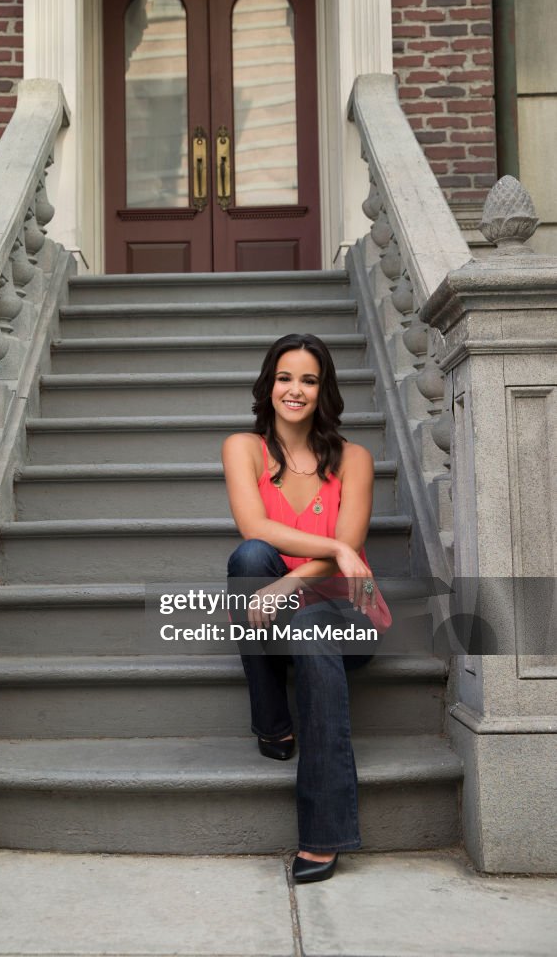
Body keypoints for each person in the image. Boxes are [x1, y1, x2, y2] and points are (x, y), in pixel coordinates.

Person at [221, 332, 386, 884]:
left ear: (323, 390)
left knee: (313, 620)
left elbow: (350, 548)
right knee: (249, 558)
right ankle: (272, 723)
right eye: (285, 377)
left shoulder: (355, 459)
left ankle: (325, 831)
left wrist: (298, 579)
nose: (295, 390)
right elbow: (257, 527)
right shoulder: (242, 448)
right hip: (278, 614)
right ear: (269, 385)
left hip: (346, 618)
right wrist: (337, 548)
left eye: (309, 380)